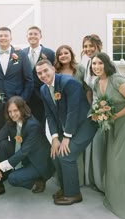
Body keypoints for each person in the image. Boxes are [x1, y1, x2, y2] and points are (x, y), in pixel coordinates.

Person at [36, 59, 97, 205]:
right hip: (67, 127)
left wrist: (67, 137)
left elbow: (73, 111)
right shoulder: (43, 89)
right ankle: (65, 189)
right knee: (55, 154)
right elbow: (49, 115)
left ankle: (74, 194)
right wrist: (55, 138)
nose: (43, 75)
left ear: (53, 69)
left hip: (86, 124)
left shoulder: (68, 82)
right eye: (39, 73)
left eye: (46, 71)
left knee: (66, 155)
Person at [0, 96, 53, 200]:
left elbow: (23, 152)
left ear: (22, 109)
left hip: (36, 161)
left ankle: (40, 179)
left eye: (15, 110)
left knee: (13, 179)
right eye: (10, 111)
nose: (12, 114)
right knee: (2, 144)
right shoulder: (11, 122)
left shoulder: (33, 125)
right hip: (24, 155)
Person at [91, 52, 125, 219]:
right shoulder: (96, 82)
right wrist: (97, 114)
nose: (96, 67)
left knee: (123, 163)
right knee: (113, 163)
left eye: (100, 63)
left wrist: (115, 116)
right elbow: (97, 103)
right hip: (112, 128)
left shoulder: (117, 80)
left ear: (106, 64)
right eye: (93, 64)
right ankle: (115, 196)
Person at [54, 44, 91, 186]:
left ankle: (78, 180)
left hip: (79, 113)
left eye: (66, 53)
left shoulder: (80, 69)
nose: (63, 56)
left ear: (71, 54)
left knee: (75, 147)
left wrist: (89, 108)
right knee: (64, 147)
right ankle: (63, 180)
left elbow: (87, 89)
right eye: (60, 54)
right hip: (63, 114)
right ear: (57, 57)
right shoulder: (55, 72)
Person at [0, 27, 33, 130]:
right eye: (0, 35)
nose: (3, 38)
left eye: (6, 35)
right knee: (1, 131)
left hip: (17, 101)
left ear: (11, 38)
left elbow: (29, 80)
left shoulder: (21, 54)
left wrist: (22, 99)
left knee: (19, 130)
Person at [81, 34, 105, 190]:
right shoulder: (89, 63)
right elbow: (89, 88)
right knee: (91, 144)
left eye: (91, 46)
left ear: (98, 46)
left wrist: (103, 108)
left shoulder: (104, 61)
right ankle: (93, 178)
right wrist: (92, 106)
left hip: (105, 109)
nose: (88, 49)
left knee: (100, 144)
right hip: (94, 109)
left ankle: (103, 180)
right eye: (85, 46)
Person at [23, 26, 55, 125]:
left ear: (40, 36)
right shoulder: (21, 53)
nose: (33, 36)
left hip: (42, 94)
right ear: (26, 36)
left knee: (40, 124)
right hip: (26, 95)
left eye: (35, 34)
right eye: (30, 34)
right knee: (25, 123)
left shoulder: (49, 53)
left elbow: (54, 72)